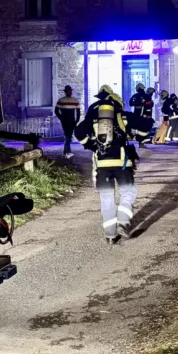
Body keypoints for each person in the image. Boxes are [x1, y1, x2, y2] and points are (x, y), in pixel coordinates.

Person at [74, 84, 137, 244]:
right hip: (122, 160)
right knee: (127, 192)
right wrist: (138, 136)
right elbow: (142, 124)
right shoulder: (118, 108)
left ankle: (110, 235)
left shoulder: (93, 109)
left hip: (101, 161)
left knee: (106, 197)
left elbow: (79, 131)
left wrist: (91, 145)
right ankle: (123, 222)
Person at [54, 84, 81, 158]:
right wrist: (61, 118)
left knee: (68, 135)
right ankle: (67, 152)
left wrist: (76, 120)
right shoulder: (71, 100)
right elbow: (56, 111)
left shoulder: (62, 100)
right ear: (66, 92)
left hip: (69, 120)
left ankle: (67, 151)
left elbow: (78, 112)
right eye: (69, 91)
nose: (70, 92)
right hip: (67, 120)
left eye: (70, 91)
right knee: (68, 135)